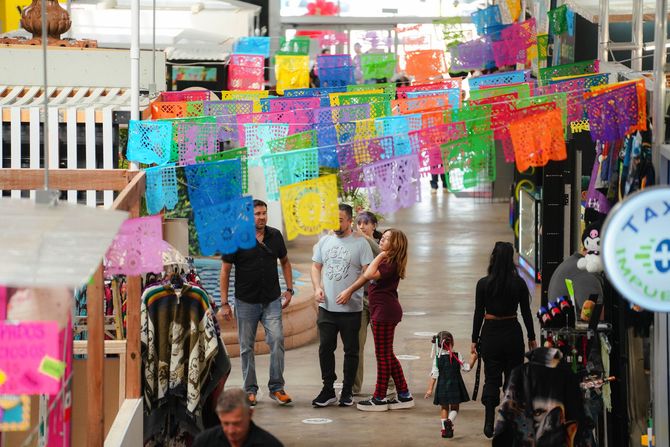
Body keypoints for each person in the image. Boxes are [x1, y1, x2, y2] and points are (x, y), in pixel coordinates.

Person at [218, 199, 294, 407]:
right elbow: (225, 271)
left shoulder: (275, 235)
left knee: (277, 340)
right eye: (257, 214)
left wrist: (289, 289)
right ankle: (250, 389)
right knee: (246, 347)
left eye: (264, 213)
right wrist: (224, 303)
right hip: (246, 301)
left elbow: (285, 262)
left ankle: (277, 387)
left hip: (271, 299)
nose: (261, 217)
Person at [471, 241, 537, 438]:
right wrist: (532, 337)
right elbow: (526, 313)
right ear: (511, 260)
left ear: (493, 258)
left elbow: (478, 313)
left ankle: (489, 421)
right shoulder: (519, 283)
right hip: (512, 334)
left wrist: (474, 339)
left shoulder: (483, 283)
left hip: (490, 333)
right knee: (512, 380)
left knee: (491, 379)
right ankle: (510, 424)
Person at [311, 204, 374, 407]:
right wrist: (316, 288)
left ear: (349, 221)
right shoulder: (324, 241)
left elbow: (368, 272)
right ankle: (328, 389)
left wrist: (350, 291)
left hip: (351, 309)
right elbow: (315, 265)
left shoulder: (360, 243)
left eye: (339, 219)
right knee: (325, 349)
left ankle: (347, 391)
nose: (335, 223)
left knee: (351, 351)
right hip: (327, 307)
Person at [356, 228, 415, 412]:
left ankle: (379, 397)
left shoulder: (389, 263)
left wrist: (380, 255)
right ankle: (404, 394)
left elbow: (368, 274)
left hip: (385, 312)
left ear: (395, 245)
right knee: (387, 354)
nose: (382, 239)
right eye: (383, 236)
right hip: (384, 311)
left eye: (387, 238)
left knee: (382, 356)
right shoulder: (390, 261)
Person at [352, 211, 382, 396]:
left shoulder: (382, 243)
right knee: (356, 345)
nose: (361, 226)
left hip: (379, 301)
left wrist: (365, 238)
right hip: (361, 301)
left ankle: (391, 385)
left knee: (383, 346)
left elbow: (384, 256)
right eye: (358, 223)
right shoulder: (355, 245)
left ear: (374, 225)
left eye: (366, 223)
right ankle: (355, 387)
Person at [424, 331, 474, 438]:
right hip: (455, 385)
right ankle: (449, 421)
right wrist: (473, 359)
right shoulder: (457, 355)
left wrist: (429, 389)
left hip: (442, 386)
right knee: (455, 408)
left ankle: (444, 431)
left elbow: (434, 375)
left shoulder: (437, 358)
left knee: (444, 408)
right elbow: (466, 368)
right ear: (452, 342)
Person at [193, 388, 283, 447]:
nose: (231, 430)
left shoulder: (270, 444)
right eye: (225, 423)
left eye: (237, 423)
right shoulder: (204, 442)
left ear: (250, 414)